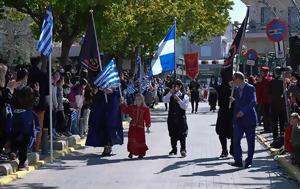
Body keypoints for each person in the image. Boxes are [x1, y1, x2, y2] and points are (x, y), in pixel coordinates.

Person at [11, 68, 40, 170]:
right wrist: (37, 92)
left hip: (14, 116)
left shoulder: (12, 87)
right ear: (24, 78)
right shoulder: (27, 90)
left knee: (15, 135)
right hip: (26, 117)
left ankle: (13, 151)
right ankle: (22, 163)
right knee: (25, 139)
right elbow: (34, 103)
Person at [230, 72, 257, 168]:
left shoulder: (250, 88)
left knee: (250, 142)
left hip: (249, 119)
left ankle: (249, 161)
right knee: (236, 141)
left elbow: (253, 102)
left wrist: (243, 111)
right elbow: (237, 107)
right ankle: (238, 160)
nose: (233, 81)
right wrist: (234, 120)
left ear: (238, 79)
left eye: (234, 79)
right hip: (238, 120)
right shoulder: (236, 90)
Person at [86, 88, 123, 156]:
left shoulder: (114, 86)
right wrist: (101, 90)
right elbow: (95, 100)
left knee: (111, 129)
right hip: (101, 113)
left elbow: (118, 95)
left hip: (111, 113)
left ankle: (108, 146)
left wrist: (112, 92)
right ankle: (106, 146)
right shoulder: (100, 93)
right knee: (103, 128)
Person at [28, 57, 49, 152]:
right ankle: (36, 147)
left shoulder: (27, 73)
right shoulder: (43, 75)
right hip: (40, 103)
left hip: (27, 102)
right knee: (38, 126)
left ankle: (28, 146)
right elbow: (47, 91)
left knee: (28, 125)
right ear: (39, 63)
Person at [163, 79, 189, 157]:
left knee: (182, 134)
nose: (175, 88)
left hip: (181, 118)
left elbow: (185, 107)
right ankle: (174, 149)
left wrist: (178, 99)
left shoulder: (184, 96)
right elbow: (164, 100)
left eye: (176, 86)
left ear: (180, 86)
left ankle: (183, 149)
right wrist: (170, 93)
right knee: (172, 134)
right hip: (171, 118)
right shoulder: (170, 94)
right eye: (174, 86)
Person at [121, 94, 151, 159]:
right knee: (132, 139)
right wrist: (123, 103)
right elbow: (125, 110)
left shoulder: (145, 109)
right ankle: (131, 152)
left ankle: (140, 153)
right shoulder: (132, 107)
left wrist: (148, 127)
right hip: (132, 127)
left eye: (139, 99)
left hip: (140, 128)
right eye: (136, 99)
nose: (138, 101)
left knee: (140, 140)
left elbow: (147, 118)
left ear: (142, 100)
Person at [268, 67, 286, 148]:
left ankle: (276, 140)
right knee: (282, 124)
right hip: (282, 106)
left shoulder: (272, 82)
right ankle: (282, 140)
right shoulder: (284, 81)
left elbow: (268, 92)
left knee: (275, 124)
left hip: (274, 105)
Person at [216, 81, 233, 158]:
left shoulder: (236, 88)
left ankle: (233, 149)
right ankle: (224, 150)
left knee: (233, 132)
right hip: (223, 112)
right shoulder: (221, 88)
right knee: (221, 132)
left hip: (232, 113)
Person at [256, 67, 272, 133]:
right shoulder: (270, 78)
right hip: (270, 100)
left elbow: (259, 90)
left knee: (265, 115)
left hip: (264, 100)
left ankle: (267, 129)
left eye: (261, 71)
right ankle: (269, 128)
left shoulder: (262, 79)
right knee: (269, 115)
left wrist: (257, 99)